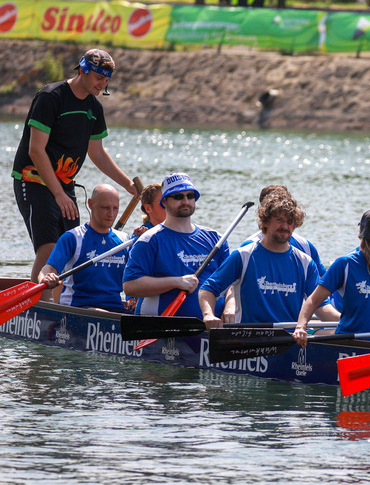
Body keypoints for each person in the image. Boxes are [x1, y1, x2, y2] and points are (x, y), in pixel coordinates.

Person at [12, 48, 137, 285]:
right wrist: (58, 195)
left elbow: (97, 152)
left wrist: (129, 184)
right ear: (83, 71)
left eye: (107, 80)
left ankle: (60, 304)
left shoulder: (94, 108)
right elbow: (36, 150)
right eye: (99, 78)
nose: (103, 85)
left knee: (69, 251)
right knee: (49, 248)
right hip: (33, 180)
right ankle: (41, 308)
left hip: (65, 185)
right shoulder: (51, 97)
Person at [200, 190, 339, 328]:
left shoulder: (306, 263)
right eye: (279, 220)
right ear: (265, 222)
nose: (285, 226)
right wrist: (208, 315)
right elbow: (208, 289)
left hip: (288, 339)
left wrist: (348, 322)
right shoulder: (243, 256)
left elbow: (321, 306)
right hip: (249, 338)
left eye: (290, 222)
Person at [293, 209, 370, 345]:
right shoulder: (345, 264)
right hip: (349, 342)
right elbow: (313, 300)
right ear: (367, 239)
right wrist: (301, 327)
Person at [123, 173, 229, 319]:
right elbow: (130, 286)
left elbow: (231, 285)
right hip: (163, 327)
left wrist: (230, 307)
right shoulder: (149, 240)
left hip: (212, 325)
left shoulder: (216, 239)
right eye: (178, 196)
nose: (185, 201)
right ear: (164, 202)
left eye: (190, 195)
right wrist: (177, 282)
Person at [38, 184, 129, 312]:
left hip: (114, 309)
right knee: (97, 313)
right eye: (105, 208)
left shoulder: (125, 241)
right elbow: (48, 268)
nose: (111, 214)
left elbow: (136, 277)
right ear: (91, 204)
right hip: (78, 309)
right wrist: (45, 277)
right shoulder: (73, 238)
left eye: (115, 208)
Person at [241, 185, 325, 276]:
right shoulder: (247, 249)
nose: (284, 226)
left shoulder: (306, 247)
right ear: (264, 213)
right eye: (278, 218)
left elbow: (326, 284)